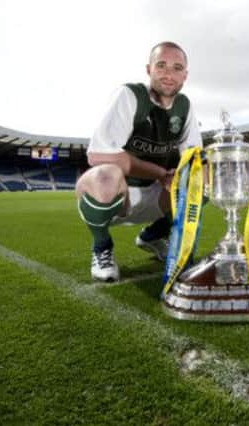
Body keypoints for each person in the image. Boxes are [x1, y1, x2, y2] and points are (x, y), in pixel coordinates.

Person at [76, 41, 202, 281]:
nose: (169, 74)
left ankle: (153, 237)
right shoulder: (130, 95)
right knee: (105, 176)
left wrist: (180, 173)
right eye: (161, 65)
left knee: (198, 180)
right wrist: (159, 172)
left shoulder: (184, 106)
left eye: (177, 68)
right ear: (149, 69)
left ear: (185, 75)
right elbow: (98, 154)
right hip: (120, 195)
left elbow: (193, 156)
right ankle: (101, 248)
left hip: (157, 194)